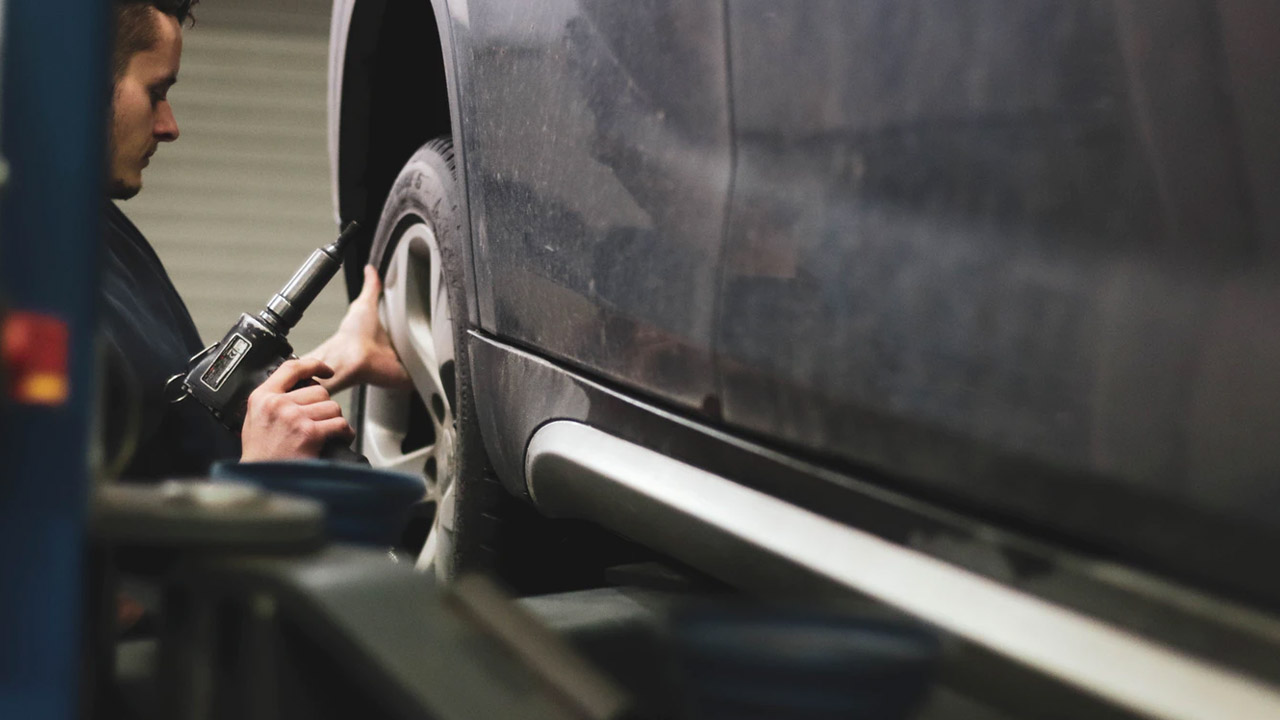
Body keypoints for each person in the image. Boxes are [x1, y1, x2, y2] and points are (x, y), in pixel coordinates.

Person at [101, 0, 408, 479]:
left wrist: (338, 357)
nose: (169, 126)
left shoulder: (104, 234)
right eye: (156, 91)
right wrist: (262, 473)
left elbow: (175, 421)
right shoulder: (23, 277)